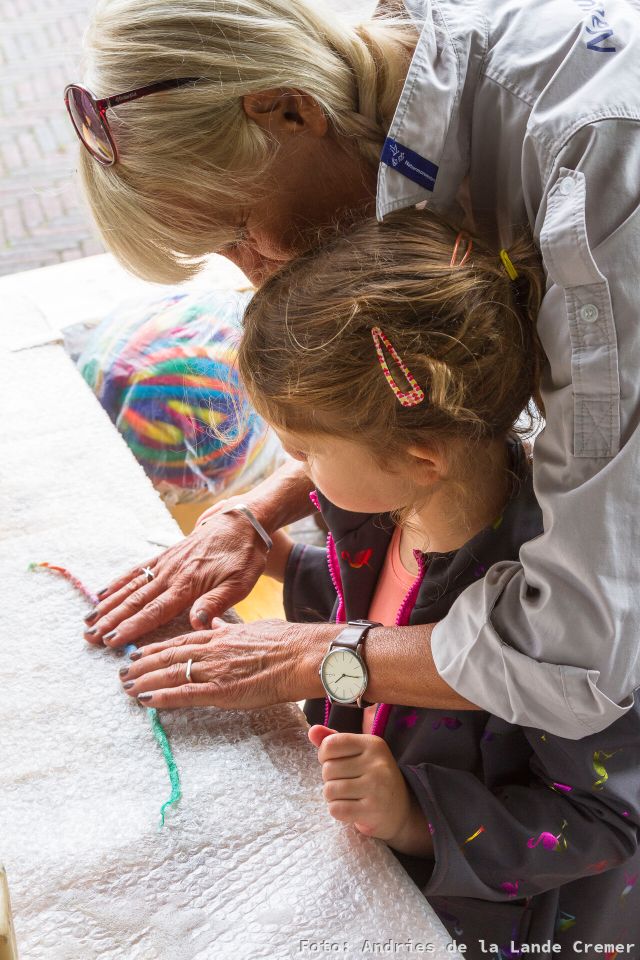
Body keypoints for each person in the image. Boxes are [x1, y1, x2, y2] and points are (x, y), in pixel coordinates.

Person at [71, 0, 640, 738]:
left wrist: (315, 657)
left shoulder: (598, 191)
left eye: (241, 231)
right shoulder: (394, 75)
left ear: (289, 111)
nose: (253, 276)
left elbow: (582, 657)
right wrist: (257, 510)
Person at [122, 210, 640, 954]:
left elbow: (603, 821)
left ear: (420, 456)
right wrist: (270, 554)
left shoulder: (554, 600)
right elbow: (376, 613)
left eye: (304, 447)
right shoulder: (389, 513)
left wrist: (416, 816)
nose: (293, 468)